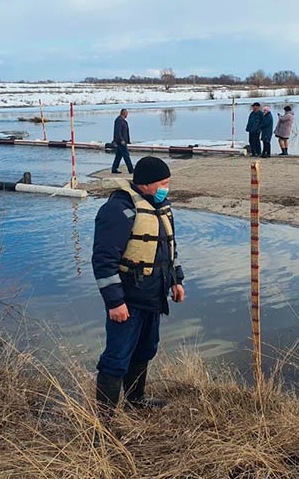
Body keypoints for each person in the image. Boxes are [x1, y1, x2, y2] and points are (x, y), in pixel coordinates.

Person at [92, 156, 186, 422]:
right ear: (146, 184)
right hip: (128, 300)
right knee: (116, 357)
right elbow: (103, 260)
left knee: (146, 349)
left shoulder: (160, 207)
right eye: (163, 183)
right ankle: (105, 419)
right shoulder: (118, 211)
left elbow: (169, 250)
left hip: (154, 296)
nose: (167, 188)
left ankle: (136, 400)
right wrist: (114, 302)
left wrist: (177, 281)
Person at [111, 108, 133, 174]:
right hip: (121, 142)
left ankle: (114, 168)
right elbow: (118, 131)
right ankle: (131, 170)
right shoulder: (119, 120)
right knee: (126, 156)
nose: (127, 114)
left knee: (118, 156)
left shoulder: (122, 120)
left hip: (123, 141)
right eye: (126, 113)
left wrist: (128, 140)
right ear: (124, 113)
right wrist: (121, 140)